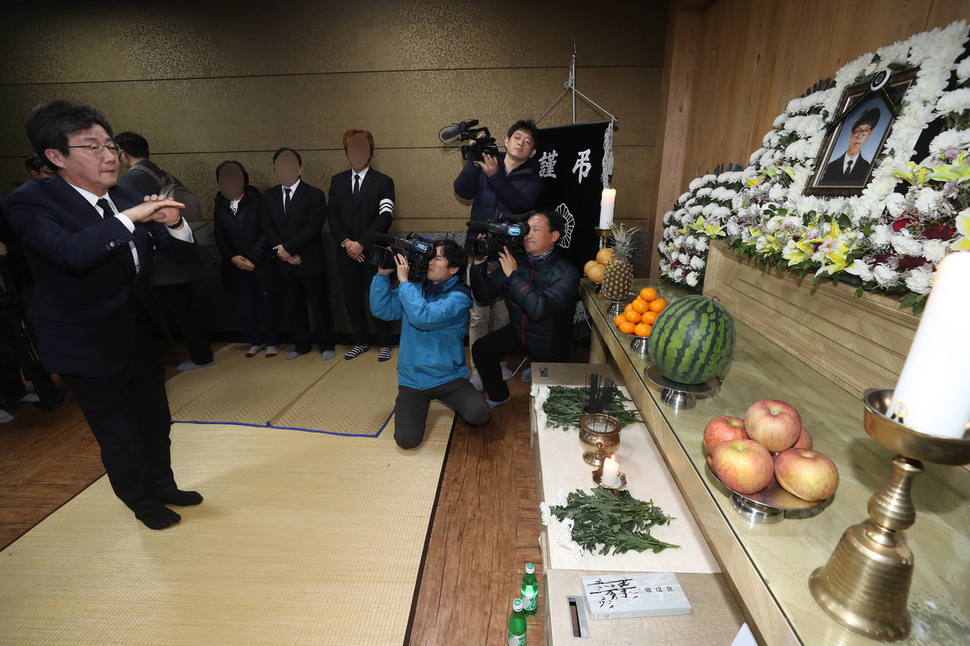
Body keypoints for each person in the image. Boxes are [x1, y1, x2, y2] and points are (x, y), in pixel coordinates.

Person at [5, 100, 202, 530]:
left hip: (135, 331)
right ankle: (141, 502)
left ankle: (163, 484)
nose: (110, 156)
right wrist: (132, 217)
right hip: (85, 343)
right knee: (120, 434)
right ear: (56, 157)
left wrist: (171, 224)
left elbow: (185, 252)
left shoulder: (123, 195)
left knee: (155, 420)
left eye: (110, 145)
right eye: (92, 147)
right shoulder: (32, 202)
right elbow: (71, 254)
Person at [370, 239, 490, 449]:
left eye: (438, 258)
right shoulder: (416, 287)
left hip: (448, 376)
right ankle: (414, 405)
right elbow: (382, 310)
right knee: (407, 441)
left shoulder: (460, 297)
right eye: (430, 256)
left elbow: (423, 317)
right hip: (413, 379)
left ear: (453, 268)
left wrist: (404, 283)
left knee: (479, 415)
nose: (430, 262)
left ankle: (459, 398)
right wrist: (382, 275)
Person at [453, 119, 543, 389]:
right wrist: (473, 162)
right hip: (479, 249)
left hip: (509, 254)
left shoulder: (534, 179)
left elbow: (519, 203)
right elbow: (462, 190)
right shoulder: (486, 161)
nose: (520, 142)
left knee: (505, 313)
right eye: (516, 137)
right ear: (506, 141)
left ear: (532, 152)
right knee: (479, 314)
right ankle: (478, 369)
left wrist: (494, 176)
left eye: (527, 142)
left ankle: (499, 364)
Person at [114, 131, 213, 370]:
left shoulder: (127, 182)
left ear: (122, 154)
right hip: (183, 248)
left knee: (178, 311)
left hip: (163, 262)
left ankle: (201, 356)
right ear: (149, 153)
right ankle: (202, 354)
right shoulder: (166, 175)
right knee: (186, 308)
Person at [470, 209, 579, 408]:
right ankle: (499, 395)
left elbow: (538, 310)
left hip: (551, 346)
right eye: (527, 229)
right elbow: (482, 294)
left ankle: (539, 368)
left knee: (549, 407)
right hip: (520, 333)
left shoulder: (567, 273)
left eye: (536, 229)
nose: (528, 234)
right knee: (481, 349)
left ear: (554, 236)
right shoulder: (517, 263)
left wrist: (514, 276)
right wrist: (479, 264)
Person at [261, 147, 337, 361]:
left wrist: (289, 249)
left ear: (299, 169)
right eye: (279, 166)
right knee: (294, 306)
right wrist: (283, 253)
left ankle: (327, 344)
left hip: (310, 260)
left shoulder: (314, 194)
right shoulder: (270, 195)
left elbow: (313, 227)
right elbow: (267, 226)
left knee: (320, 305)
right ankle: (302, 344)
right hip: (284, 263)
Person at [327, 129, 395, 361]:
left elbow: (384, 218)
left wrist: (361, 244)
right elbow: (333, 216)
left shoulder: (384, 182)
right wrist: (347, 243)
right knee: (352, 300)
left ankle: (384, 342)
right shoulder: (337, 181)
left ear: (370, 152)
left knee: (378, 298)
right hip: (346, 254)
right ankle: (361, 341)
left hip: (373, 253)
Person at [212, 160, 280, 358]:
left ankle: (273, 342)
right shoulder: (220, 204)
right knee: (244, 306)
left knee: (268, 304)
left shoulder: (258, 201)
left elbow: (266, 232)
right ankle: (255, 340)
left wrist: (253, 258)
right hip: (235, 265)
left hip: (261, 264)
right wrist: (233, 257)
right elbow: (219, 236)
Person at [820, 108, 880, 185]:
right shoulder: (830, 166)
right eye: (857, 131)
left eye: (865, 131)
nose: (860, 136)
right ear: (851, 136)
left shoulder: (867, 168)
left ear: (869, 135)